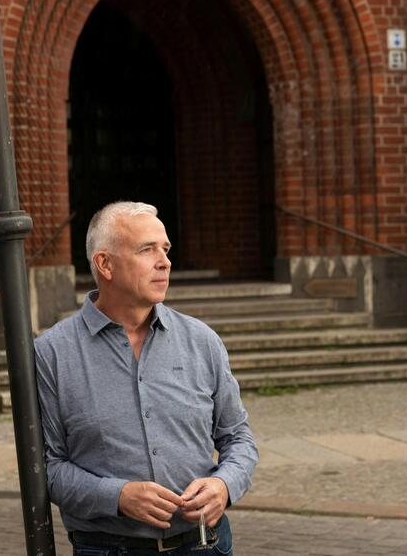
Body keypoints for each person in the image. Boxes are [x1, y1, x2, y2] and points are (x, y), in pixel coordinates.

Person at [35, 201, 258, 555]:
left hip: (204, 545)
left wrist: (224, 485)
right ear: (104, 264)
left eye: (165, 249)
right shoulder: (51, 354)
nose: (164, 261)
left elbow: (239, 438)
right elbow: (46, 467)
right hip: (109, 548)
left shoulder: (202, 341)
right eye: (146, 249)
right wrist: (117, 497)